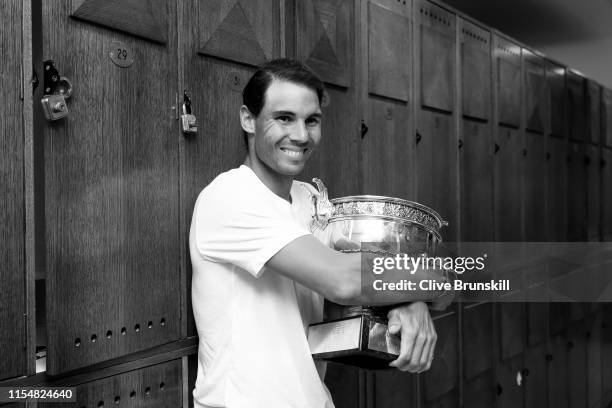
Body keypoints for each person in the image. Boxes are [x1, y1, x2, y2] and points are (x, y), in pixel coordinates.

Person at [189, 59, 452, 408]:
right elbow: (344, 279)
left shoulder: (312, 200)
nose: (300, 135)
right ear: (248, 119)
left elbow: (364, 284)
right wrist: (437, 280)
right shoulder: (229, 197)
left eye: (311, 120)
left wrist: (410, 300)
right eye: (284, 118)